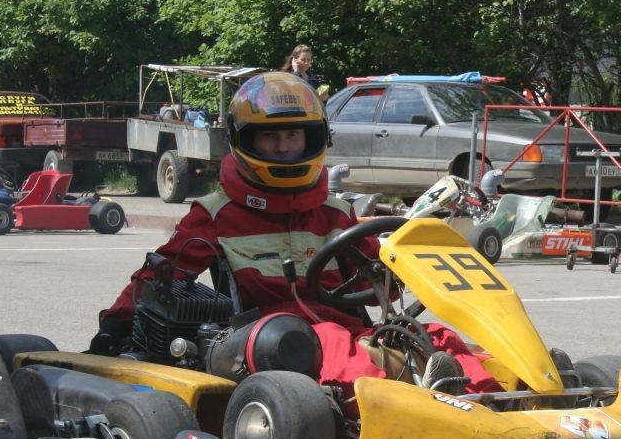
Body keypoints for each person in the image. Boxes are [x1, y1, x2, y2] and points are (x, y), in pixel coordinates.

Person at [88, 71, 498, 413]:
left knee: (428, 335)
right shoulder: (216, 213)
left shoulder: (336, 213)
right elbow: (158, 276)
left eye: (294, 135)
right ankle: (409, 406)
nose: (284, 146)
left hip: (344, 332)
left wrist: (396, 269)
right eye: (270, 138)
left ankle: (489, 399)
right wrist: (114, 325)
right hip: (267, 339)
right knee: (328, 341)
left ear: (314, 139)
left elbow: (378, 289)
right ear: (245, 141)